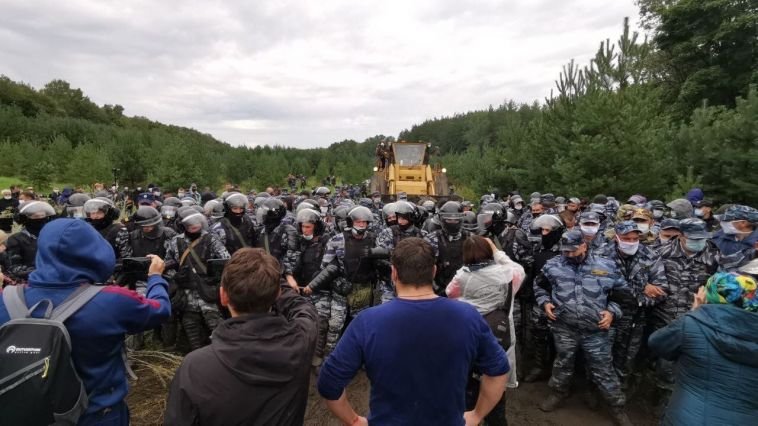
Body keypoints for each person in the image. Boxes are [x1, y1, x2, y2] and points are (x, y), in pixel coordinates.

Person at [318, 238, 510, 426]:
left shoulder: (367, 322)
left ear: (393, 273)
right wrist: (477, 415)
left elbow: (329, 382)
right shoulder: (468, 316)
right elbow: (499, 370)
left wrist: (353, 420)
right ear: (433, 271)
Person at [0, 218, 171, 425]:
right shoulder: (113, 300)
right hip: (97, 415)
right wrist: (155, 277)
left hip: (26, 414)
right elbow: (160, 310)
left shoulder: (6, 299)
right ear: (96, 251)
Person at [164, 248, 317, 426]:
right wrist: (274, 280)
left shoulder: (194, 367)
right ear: (277, 294)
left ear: (223, 296)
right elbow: (304, 309)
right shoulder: (301, 341)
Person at [533, 230, 632, 426]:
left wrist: (612, 312)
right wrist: (545, 302)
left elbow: (623, 296)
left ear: (584, 245)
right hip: (564, 327)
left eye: (573, 250)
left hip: (596, 330)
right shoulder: (553, 265)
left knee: (603, 368)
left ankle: (616, 407)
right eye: (565, 251)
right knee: (563, 362)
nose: (568, 255)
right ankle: (559, 393)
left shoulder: (606, 265)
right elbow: (539, 286)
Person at [648, 272, 758, 425]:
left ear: (709, 296)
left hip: (688, 418)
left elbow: (657, 342)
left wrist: (696, 313)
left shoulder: (692, 324)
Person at [446, 236, 524, 426]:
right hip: (499, 332)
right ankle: (494, 415)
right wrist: (497, 252)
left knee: (468, 381)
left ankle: (469, 415)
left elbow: (450, 293)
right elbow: (519, 270)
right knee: (495, 376)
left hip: (468, 332)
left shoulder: (463, 276)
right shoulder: (508, 274)